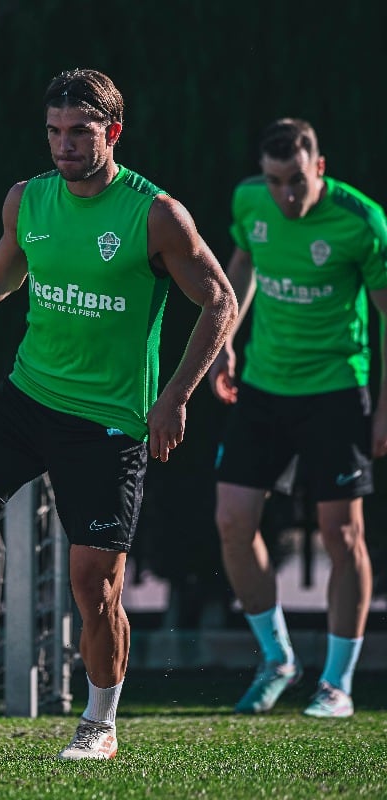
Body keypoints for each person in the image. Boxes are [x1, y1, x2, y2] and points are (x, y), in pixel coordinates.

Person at [0, 68, 237, 759]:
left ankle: (99, 726)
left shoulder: (155, 214)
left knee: (95, 586)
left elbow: (219, 300)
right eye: (54, 131)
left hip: (108, 424)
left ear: (111, 132)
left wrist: (174, 396)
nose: (63, 144)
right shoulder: (27, 200)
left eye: (79, 132)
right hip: (27, 400)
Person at [209, 118, 387, 718]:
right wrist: (224, 340)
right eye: (274, 180)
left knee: (342, 535)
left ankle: (337, 683)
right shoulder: (249, 200)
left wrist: (385, 406)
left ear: (320, 168)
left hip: (338, 391)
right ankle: (278, 658)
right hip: (263, 386)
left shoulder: (361, 222)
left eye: (296, 180)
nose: (286, 194)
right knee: (233, 521)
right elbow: (242, 267)